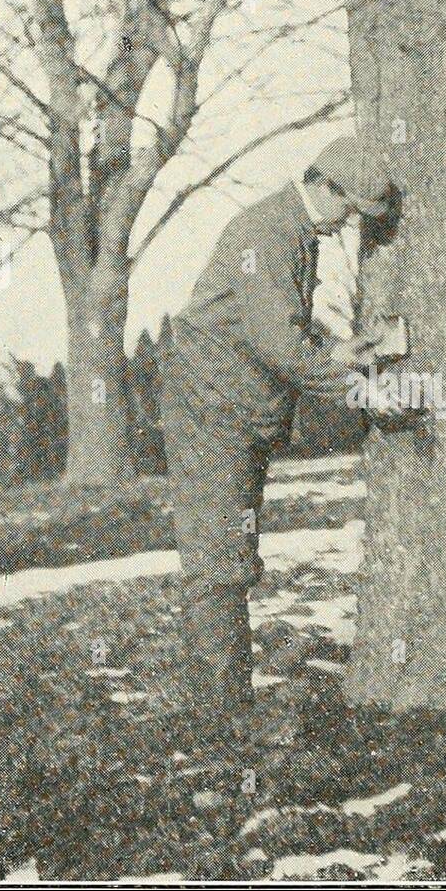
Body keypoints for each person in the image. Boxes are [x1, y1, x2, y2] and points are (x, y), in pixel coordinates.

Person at [160, 134, 402, 730]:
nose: (347, 225)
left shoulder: (289, 227)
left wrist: (340, 351)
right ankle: (225, 716)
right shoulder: (271, 233)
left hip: (230, 409)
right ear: (325, 185)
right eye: (347, 210)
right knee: (220, 561)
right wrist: (367, 395)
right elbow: (280, 351)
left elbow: (280, 331)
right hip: (214, 412)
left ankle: (218, 707)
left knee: (227, 556)